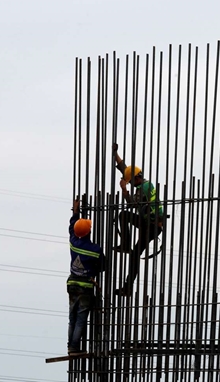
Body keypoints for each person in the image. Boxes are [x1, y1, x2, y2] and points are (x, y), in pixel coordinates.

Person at [112, 143, 165, 296]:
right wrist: (115, 154)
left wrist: (124, 190)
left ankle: (128, 288)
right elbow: (125, 169)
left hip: (152, 227)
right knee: (123, 216)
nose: (130, 183)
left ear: (136, 179)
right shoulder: (143, 181)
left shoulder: (143, 189)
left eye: (130, 181)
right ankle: (126, 244)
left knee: (135, 255)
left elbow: (131, 204)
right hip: (146, 221)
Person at [67, 198, 105, 356]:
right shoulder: (95, 249)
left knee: (73, 316)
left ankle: (71, 346)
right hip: (85, 287)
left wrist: (76, 212)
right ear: (89, 232)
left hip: (71, 284)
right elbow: (103, 266)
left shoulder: (73, 242)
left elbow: (72, 228)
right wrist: (93, 271)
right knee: (81, 317)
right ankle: (75, 347)